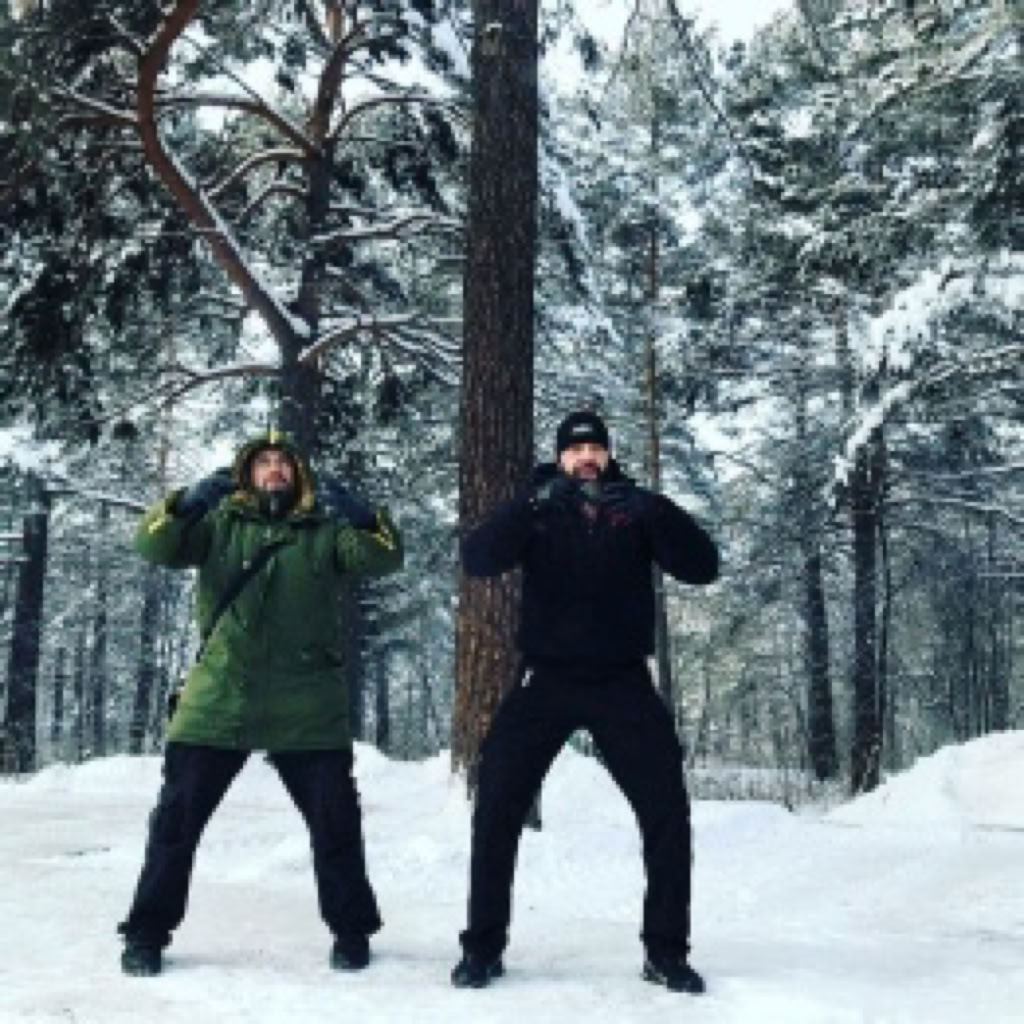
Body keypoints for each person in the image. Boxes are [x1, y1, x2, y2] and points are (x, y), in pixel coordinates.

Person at [451, 410, 719, 993]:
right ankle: (482, 948)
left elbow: (703, 567)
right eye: (575, 451)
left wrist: (658, 512)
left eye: (595, 448)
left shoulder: (634, 511)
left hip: (621, 681)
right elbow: (478, 559)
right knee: (496, 804)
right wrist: (529, 506)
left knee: (667, 810)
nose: (586, 458)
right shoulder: (540, 510)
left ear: (608, 454)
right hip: (544, 678)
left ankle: (666, 952)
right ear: (561, 458)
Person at [117, 430, 403, 976]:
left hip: (308, 702)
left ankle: (352, 931)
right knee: (175, 823)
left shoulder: (324, 532)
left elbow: (383, 560)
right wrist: (185, 504)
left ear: (299, 475)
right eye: (263, 462)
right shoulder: (219, 525)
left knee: (334, 823)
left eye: (284, 463)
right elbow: (154, 546)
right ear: (246, 472)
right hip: (220, 695)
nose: (274, 470)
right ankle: (146, 933)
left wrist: (365, 518)